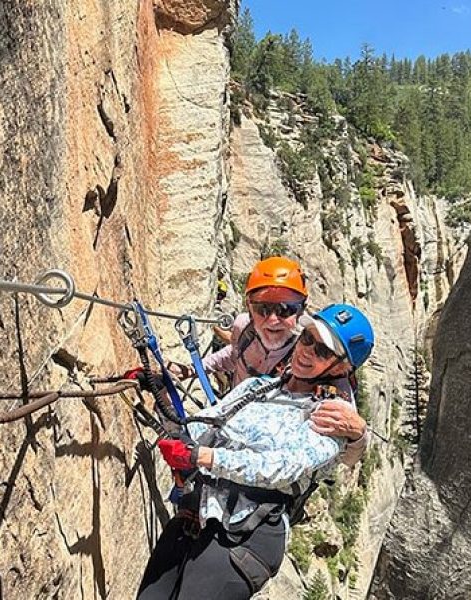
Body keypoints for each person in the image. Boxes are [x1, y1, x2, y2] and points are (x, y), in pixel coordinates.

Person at [137, 304, 375, 600]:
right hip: (201, 511)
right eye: (307, 339)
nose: (307, 351)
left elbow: (280, 468)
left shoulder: (331, 417)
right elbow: (204, 424)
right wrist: (158, 391)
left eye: (323, 351)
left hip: (247, 538)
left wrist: (206, 457)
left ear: (342, 368)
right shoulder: (260, 386)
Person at [170, 256, 368, 465]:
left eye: (285, 309)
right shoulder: (244, 328)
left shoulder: (306, 350)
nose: (273, 319)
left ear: (300, 310)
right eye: (263, 309)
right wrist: (192, 370)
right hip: (234, 411)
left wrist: (359, 434)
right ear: (250, 306)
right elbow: (235, 355)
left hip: (263, 453)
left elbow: (345, 447)